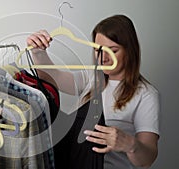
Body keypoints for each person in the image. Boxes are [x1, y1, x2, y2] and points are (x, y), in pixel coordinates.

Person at [26, 14, 160, 169]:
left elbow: (147, 159)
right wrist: (38, 52)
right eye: (98, 50)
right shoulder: (91, 79)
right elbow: (52, 77)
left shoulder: (146, 95)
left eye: (113, 51)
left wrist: (130, 144)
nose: (103, 59)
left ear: (130, 51)